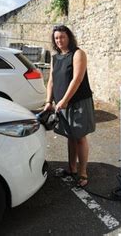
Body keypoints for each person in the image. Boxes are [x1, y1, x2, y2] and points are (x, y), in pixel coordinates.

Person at [44, 25, 95, 188]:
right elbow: (51, 80)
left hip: (77, 101)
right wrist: (48, 101)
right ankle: (72, 169)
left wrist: (65, 100)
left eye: (62, 37)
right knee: (70, 136)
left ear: (69, 37)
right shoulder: (55, 57)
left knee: (79, 137)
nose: (59, 40)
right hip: (61, 103)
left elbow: (77, 79)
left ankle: (82, 173)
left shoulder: (78, 54)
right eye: (56, 38)